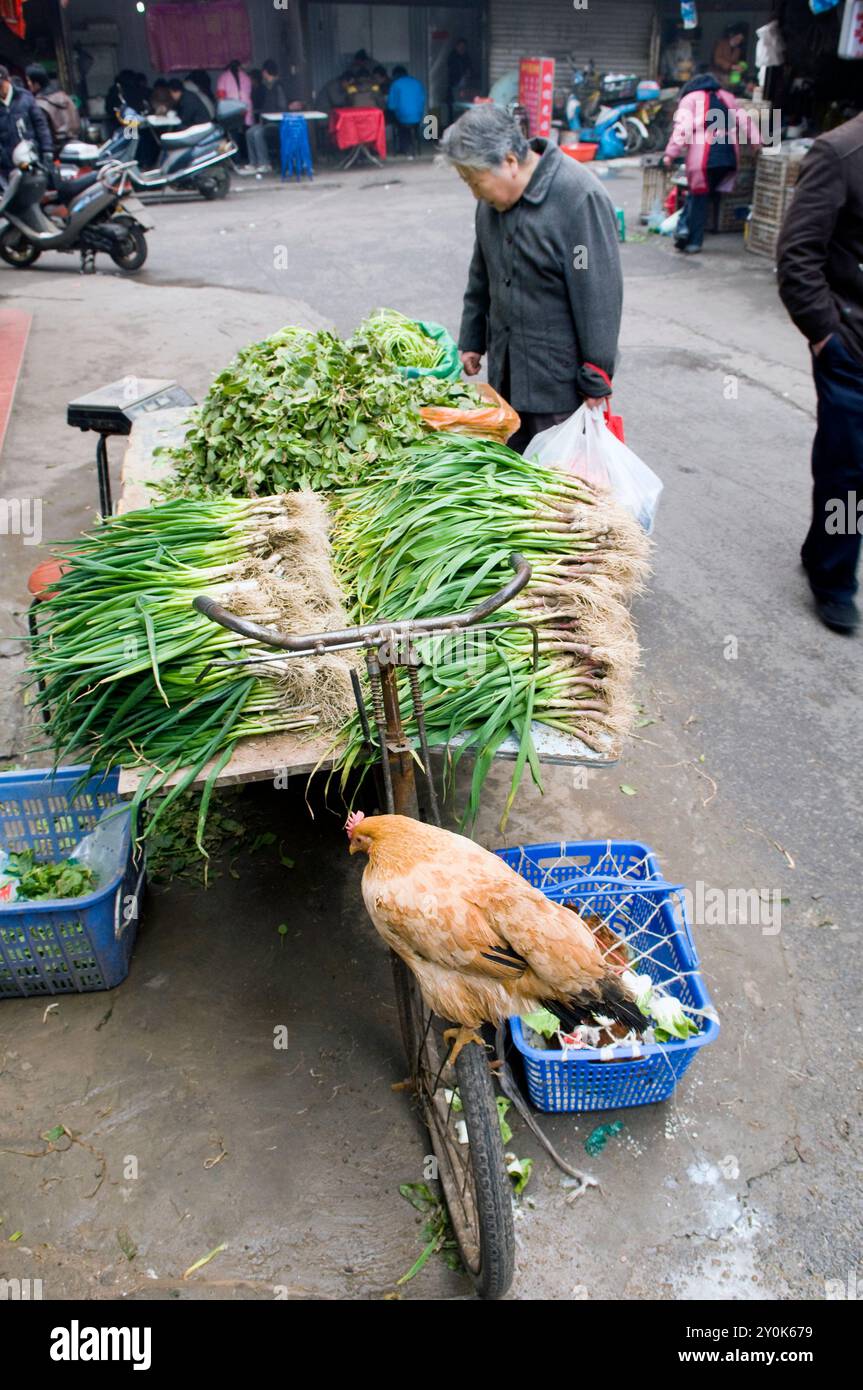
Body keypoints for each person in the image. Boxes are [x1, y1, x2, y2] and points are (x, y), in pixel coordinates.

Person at [439, 105, 622, 454]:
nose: (474, 194)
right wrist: (473, 338)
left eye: (475, 182)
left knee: (559, 487)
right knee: (514, 476)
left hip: (558, 387)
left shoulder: (578, 198)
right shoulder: (490, 205)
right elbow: (481, 272)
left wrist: (597, 373)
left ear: (509, 162)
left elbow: (598, 294)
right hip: (507, 374)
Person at [777, 113, 863, 634]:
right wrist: (827, 335)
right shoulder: (839, 154)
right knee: (848, 469)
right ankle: (833, 581)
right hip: (851, 348)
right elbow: (796, 255)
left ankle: (820, 547)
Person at [662, 72, 761, 254]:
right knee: (699, 196)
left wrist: (670, 153)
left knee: (698, 196)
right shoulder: (728, 97)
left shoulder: (690, 98)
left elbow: (683, 127)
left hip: (705, 154)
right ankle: (683, 232)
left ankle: (692, 239)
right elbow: (745, 122)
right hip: (728, 154)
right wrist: (757, 144)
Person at [0, 64, 54, 180]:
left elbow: (41, 125)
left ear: (7, 80)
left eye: (1, 86)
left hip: (31, 159)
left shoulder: (25, 97)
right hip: (7, 166)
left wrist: (47, 150)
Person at [24, 64, 79, 153]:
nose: (28, 84)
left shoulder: (39, 104)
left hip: (55, 151)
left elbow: (42, 132)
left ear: (37, 83)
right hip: (76, 145)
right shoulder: (66, 97)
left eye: (29, 80)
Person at [246, 59, 287, 172]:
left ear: (265, 72)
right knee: (250, 132)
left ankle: (265, 163)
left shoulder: (278, 86)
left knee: (258, 133)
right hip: (267, 122)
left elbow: (282, 106)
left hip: (277, 123)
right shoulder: (266, 86)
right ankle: (254, 163)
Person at [387, 65, 425, 157]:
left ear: (395, 75)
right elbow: (422, 100)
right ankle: (411, 146)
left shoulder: (395, 84)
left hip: (403, 118)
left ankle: (405, 148)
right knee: (406, 120)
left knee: (398, 121)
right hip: (417, 117)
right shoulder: (417, 83)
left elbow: (391, 106)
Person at [447, 39, 472, 123]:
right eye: (460, 47)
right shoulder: (452, 57)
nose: (462, 49)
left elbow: (469, 67)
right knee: (454, 103)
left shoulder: (466, 56)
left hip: (464, 83)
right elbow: (452, 70)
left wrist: (468, 73)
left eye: (464, 47)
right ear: (456, 47)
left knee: (464, 102)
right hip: (454, 83)